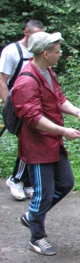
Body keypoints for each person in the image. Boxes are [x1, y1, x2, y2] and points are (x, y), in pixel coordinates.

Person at [12, 32, 80, 255]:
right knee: (43, 193)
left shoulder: (48, 71)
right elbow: (33, 118)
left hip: (53, 142)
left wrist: (77, 112)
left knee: (65, 183)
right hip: (37, 146)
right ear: (46, 54)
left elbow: (59, 99)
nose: (61, 54)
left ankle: (31, 216)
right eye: (57, 51)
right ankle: (37, 237)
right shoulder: (26, 81)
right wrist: (64, 131)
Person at [0, 19, 45, 201]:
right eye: (36, 35)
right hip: (15, 104)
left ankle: (25, 182)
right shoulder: (12, 52)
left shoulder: (39, 52)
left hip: (32, 104)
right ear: (26, 32)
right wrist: (9, 106)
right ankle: (16, 179)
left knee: (31, 142)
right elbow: (2, 81)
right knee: (27, 143)